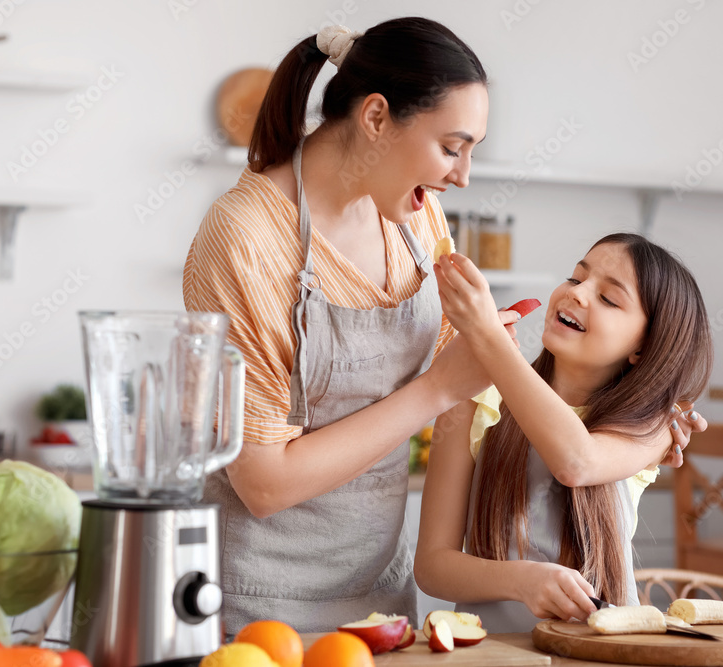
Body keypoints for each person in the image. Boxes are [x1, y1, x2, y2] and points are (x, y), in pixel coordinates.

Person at [182, 18, 512, 635]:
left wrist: (628, 417)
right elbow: (262, 482)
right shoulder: (246, 239)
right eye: (451, 146)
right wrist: (442, 386)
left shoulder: (416, 214)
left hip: (382, 605)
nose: (462, 175)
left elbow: (460, 390)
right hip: (256, 613)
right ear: (377, 117)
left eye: (472, 150)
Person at [415, 233, 713, 632]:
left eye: (608, 298)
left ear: (642, 348)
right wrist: (521, 581)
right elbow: (433, 565)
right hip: (494, 654)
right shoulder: (473, 398)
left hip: (604, 655)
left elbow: (577, 462)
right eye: (576, 278)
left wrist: (488, 340)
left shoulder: (653, 425)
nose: (578, 294)